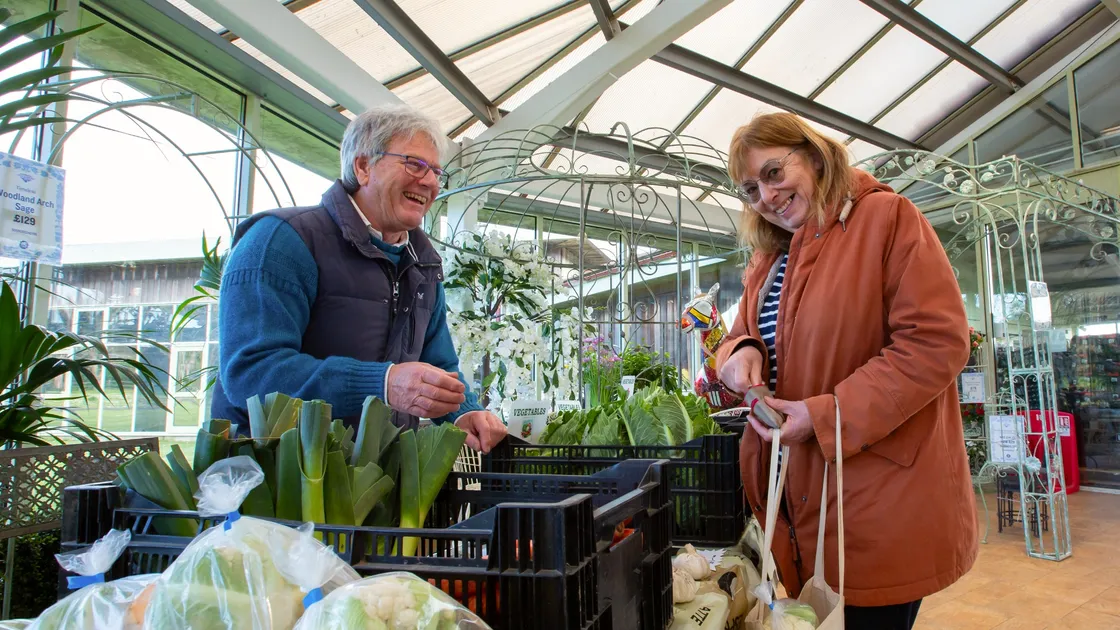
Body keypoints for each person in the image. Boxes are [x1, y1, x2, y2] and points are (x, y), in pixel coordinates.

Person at [716, 113, 976, 630]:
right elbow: (739, 335)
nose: (765, 196)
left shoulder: (888, 219)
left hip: (879, 501)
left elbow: (936, 341)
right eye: (750, 189)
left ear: (814, 156)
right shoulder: (768, 260)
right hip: (805, 501)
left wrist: (826, 413)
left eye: (773, 173)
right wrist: (739, 352)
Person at [211, 104, 507, 453]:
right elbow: (251, 373)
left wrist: (464, 413)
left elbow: (438, 365)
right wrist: (381, 384)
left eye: (437, 172)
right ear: (363, 166)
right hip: (275, 480)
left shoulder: (423, 265)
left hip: (374, 482)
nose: (429, 181)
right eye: (415, 163)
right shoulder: (282, 241)